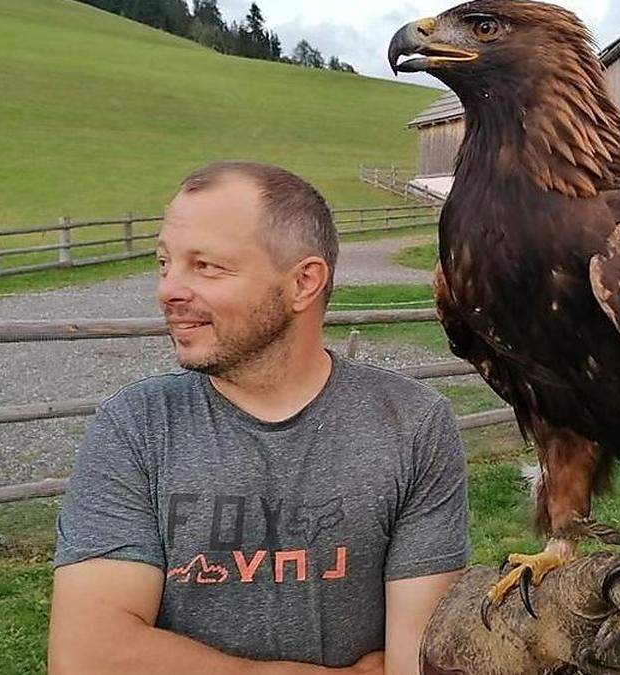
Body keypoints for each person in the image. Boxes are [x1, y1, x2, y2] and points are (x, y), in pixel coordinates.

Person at [48, 161, 470, 674]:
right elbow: (88, 659)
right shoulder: (136, 426)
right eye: (164, 264)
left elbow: (414, 662)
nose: (168, 290)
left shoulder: (412, 426)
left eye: (205, 266)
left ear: (303, 283)